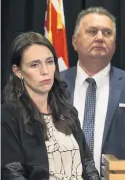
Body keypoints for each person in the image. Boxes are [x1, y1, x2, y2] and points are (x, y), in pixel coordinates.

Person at [60, 7, 125, 171]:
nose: (100, 38)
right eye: (92, 31)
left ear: (114, 44)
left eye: (107, 33)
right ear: (74, 41)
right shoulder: (54, 85)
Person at [1, 32, 99, 179]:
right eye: (34, 65)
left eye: (49, 62)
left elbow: (89, 166)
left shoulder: (68, 112)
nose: (45, 71)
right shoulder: (8, 116)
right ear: (18, 71)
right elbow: (12, 173)